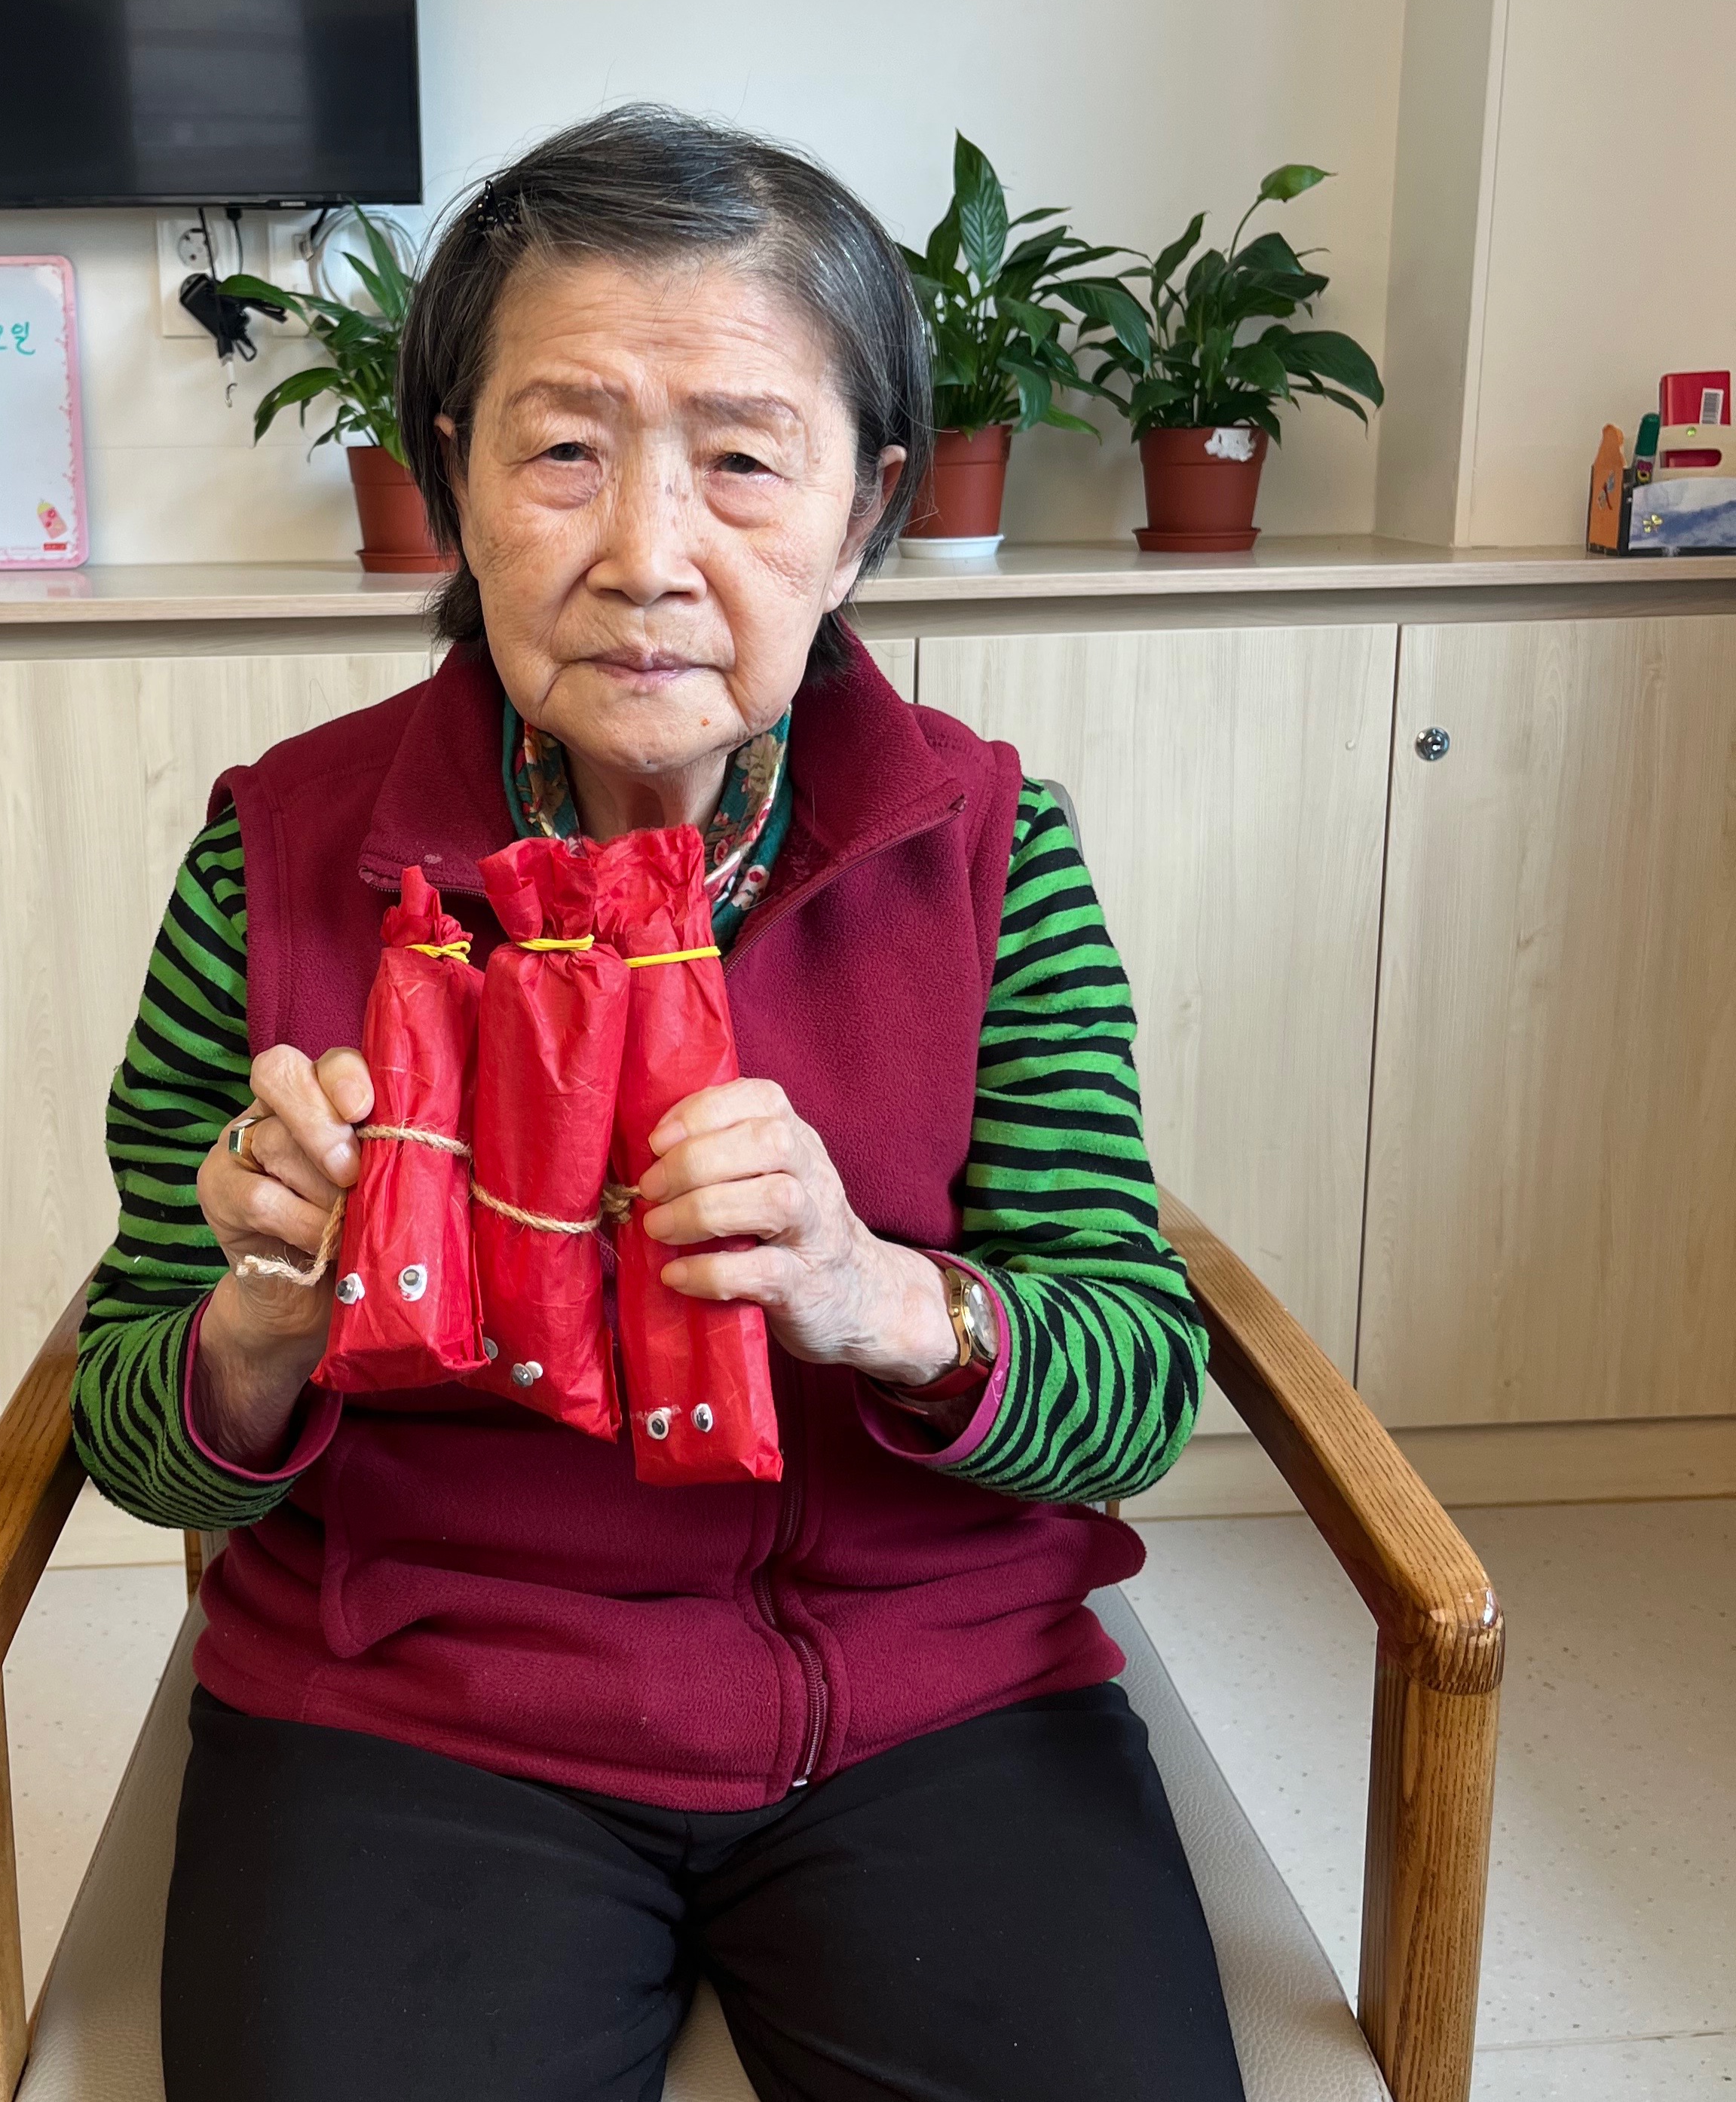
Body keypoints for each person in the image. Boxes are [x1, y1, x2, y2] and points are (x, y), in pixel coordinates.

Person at [74, 106, 1245, 2102]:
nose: (645, 555)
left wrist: (883, 1298)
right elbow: (134, 1433)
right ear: (451, 477)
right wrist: (261, 1326)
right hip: (418, 1706)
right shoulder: (279, 859)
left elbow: (1135, 1392)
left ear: (863, 513)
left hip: (933, 1697)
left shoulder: (989, 852)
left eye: (742, 459)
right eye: (563, 450)